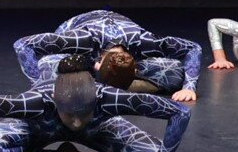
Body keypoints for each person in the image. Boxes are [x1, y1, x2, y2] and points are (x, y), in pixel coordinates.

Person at [0, 49, 187, 152]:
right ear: (54, 99)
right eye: (69, 115)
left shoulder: (108, 99)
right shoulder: (35, 103)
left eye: (82, 114)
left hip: (97, 129)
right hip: (35, 128)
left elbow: (179, 112)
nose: (75, 123)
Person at [14, 10, 202, 103]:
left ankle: (106, 85)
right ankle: (96, 81)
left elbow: (193, 48)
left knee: (174, 73)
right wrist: (37, 86)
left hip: (123, 29)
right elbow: (23, 44)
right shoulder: (82, 39)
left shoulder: (144, 42)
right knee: (48, 65)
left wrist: (189, 87)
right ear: (97, 64)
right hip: (80, 27)